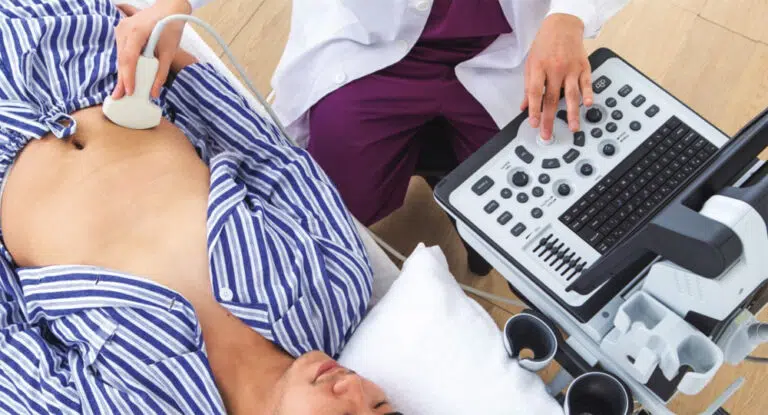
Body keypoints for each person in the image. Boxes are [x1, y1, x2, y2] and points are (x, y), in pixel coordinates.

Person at [0, 1, 398, 414]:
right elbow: (269, 156)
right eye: (379, 404)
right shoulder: (338, 284)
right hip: (84, 57)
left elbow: (10, 349)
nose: (354, 387)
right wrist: (166, 48)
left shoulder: (140, 405)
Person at [114, 0, 629, 228]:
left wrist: (569, 15)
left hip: (507, 50)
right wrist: (174, 3)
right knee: (329, 211)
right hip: (372, 51)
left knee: (541, 213)